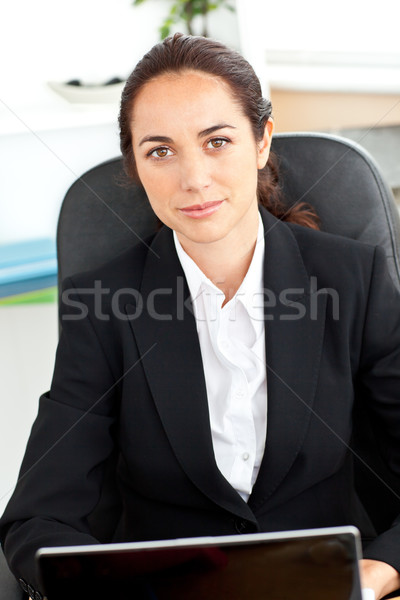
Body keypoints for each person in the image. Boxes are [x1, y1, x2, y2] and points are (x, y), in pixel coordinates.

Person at [1, 33, 400, 600]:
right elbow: (37, 519)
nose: (193, 179)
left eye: (217, 141)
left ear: (262, 140)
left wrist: (378, 572)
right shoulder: (103, 303)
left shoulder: (352, 279)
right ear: (135, 165)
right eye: (160, 150)